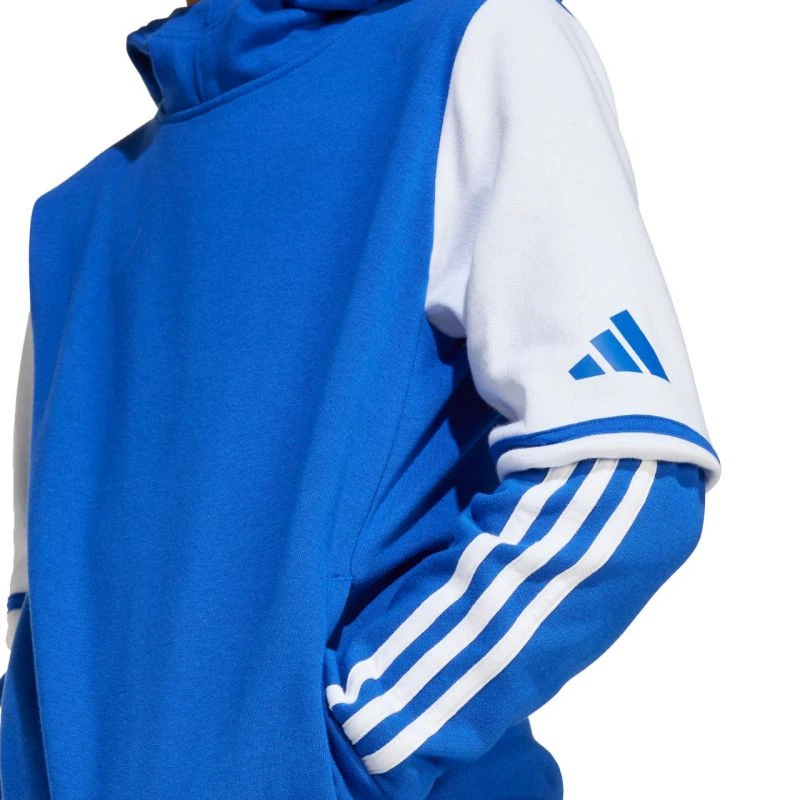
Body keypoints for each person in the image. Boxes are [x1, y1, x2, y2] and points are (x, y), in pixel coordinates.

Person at [0, 0, 719, 797]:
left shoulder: (472, 44)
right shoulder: (74, 221)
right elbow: (38, 620)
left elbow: (622, 472)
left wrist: (350, 743)